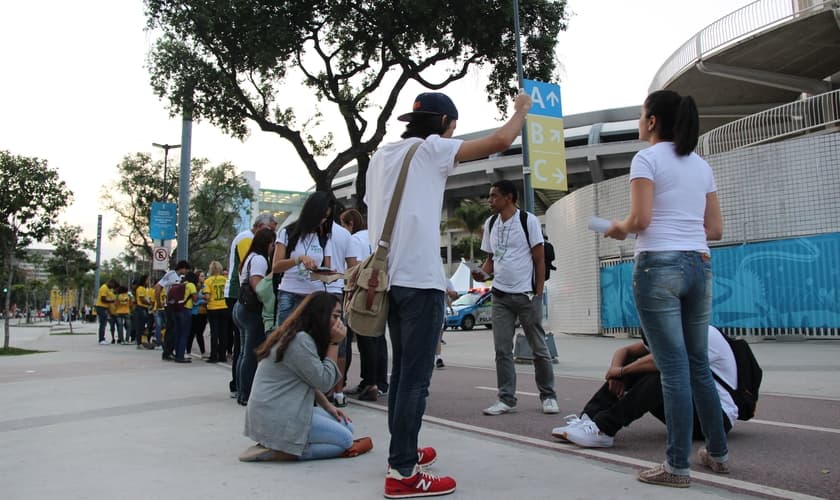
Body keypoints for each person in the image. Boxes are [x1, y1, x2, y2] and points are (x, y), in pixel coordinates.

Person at [365, 90, 532, 498]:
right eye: (453, 126)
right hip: (420, 282)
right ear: (443, 124)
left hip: (387, 280)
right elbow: (499, 142)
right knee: (415, 380)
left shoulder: (381, 156)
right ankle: (402, 472)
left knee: (402, 372)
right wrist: (521, 110)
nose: (454, 134)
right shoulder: (433, 149)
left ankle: (402, 453)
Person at [605, 90, 727, 487]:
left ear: (653, 121)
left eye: (642, 115)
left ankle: (677, 466)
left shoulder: (647, 159)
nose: (640, 122)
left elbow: (640, 219)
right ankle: (718, 453)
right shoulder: (700, 165)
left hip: (658, 266)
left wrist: (617, 228)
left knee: (673, 369)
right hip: (698, 264)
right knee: (696, 365)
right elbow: (715, 230)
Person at [239, 292, 373, 462]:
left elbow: (307, 378)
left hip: (280, 410)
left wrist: (328, 407)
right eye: (335, 316)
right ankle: (283, 451)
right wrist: (334, 343)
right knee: (345, 441)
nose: (340, 322)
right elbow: (324, 382)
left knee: (347, 427)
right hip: (278, 415)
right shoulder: (300, 340)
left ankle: (282, 445)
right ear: (320, 315)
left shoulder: (296, 335)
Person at [552, 326, 737, 449]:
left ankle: (604, 429)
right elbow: (624, 351)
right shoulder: (672, 327)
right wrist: (616, 370)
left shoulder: (698, 332)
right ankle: (588, 419)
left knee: (664, 374)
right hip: (689, 409)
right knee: (635, 363)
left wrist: (622, 372)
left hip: (714, 419)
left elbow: (664, 361)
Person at [475, 179, 559, 416]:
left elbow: (539, 259)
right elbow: (491, 260)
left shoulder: (527, 220)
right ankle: (506, 398)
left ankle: (548, 396)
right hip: (500, 295)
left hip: (525, 294)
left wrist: (538, 295)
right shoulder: (490, 223)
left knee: (539, 349)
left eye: (494, 196)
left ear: (509, 197)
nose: (489, 200)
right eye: (489, 196)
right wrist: (481, 273)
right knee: (502, 350)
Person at [225, 213, 279, 399]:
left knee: (242, 352)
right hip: (251, 310)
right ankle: (246, 393)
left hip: (241, 307)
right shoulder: (259, 260)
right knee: (250, 353)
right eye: (273, 245)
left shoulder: (249, 257)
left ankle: (241, 390)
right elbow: (257, 285)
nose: (274, 248)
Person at [341, 209, 389, 402]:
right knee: (379, 337)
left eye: (344, 224)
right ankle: (381, 381)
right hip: (381, 289)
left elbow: (354, 268)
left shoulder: (354, 240)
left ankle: (369, 382)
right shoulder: (372, 236)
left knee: (363, 337)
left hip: (363, 291)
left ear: (350, 223)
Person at [271, 191, 335, 327]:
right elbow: (276, 266)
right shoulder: (287, 233)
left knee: (313, 340)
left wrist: (327, 273)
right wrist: (298, 259)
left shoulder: (324, 238)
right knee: (285, 340)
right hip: (290, 294)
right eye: (321, 216)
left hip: (315, 296)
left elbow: (327, 268)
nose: (323, 221)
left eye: (326, 217)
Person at [325, 205, 362, 408]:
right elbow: (353, 267)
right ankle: (338, 391)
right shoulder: (345, 235)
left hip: (316, 290)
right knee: (339, 342)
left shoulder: (312, 229)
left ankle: (326, 389)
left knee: (319, 341)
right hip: (338, 291)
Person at [153, 260, 193, 362]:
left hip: (177, 306)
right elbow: (158, 287)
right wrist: (158, 302)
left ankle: (171, 351)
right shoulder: (171, 274)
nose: (186, 272)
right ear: (182, 268)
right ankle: (167, 352)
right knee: (171, 329)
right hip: (170, 305)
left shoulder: (181, 278)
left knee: (175, 329)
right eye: (186, 269)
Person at [203, 261, 229, 363]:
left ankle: (213, 356)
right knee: (224, 333)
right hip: (224, 307)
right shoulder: (225, 280)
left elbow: (207, 297)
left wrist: (204, 296)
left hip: (213, 308)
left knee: (214, 333)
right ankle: (223, 355)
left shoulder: (208, 281)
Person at [435, 279, 458, 369]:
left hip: (440, 313)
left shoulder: (445, 280)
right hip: (424, 312)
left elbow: (454, 295)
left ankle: (438, 358)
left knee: (437, 337)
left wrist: (450, 293)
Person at [186, 271, 207, 358]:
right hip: (195, 312)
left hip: (204, 312)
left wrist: (204, 300)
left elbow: (208, 299)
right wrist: (202, 299)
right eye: (201, 276)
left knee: (200, 333)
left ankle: (202, 352)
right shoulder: (194, 287)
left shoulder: (205, 287)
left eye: (204, 276)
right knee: (193, 332)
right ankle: (188, 350)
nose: (203, 277)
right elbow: (195, 301)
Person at [95, 279, 116, 345]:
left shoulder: (107, 288)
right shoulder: (104, 288)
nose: (112, 287)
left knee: (104, 323)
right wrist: (111, 301)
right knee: (103, 324)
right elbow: (103, 299)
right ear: (110, 282)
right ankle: (101, 339)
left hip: (104, 307)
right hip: (101, 307)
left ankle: (102, 338)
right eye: (112, 285)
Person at [132, 275, 152, 349]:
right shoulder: (140, 288)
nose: (148, 282)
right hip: (141, 308)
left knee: (143, 325)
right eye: (147, 280)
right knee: (140, 326)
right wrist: (149, 303)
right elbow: (142, 299)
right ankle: (139, 342)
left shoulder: (144, 289)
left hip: (144, 308)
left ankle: (142, 341)